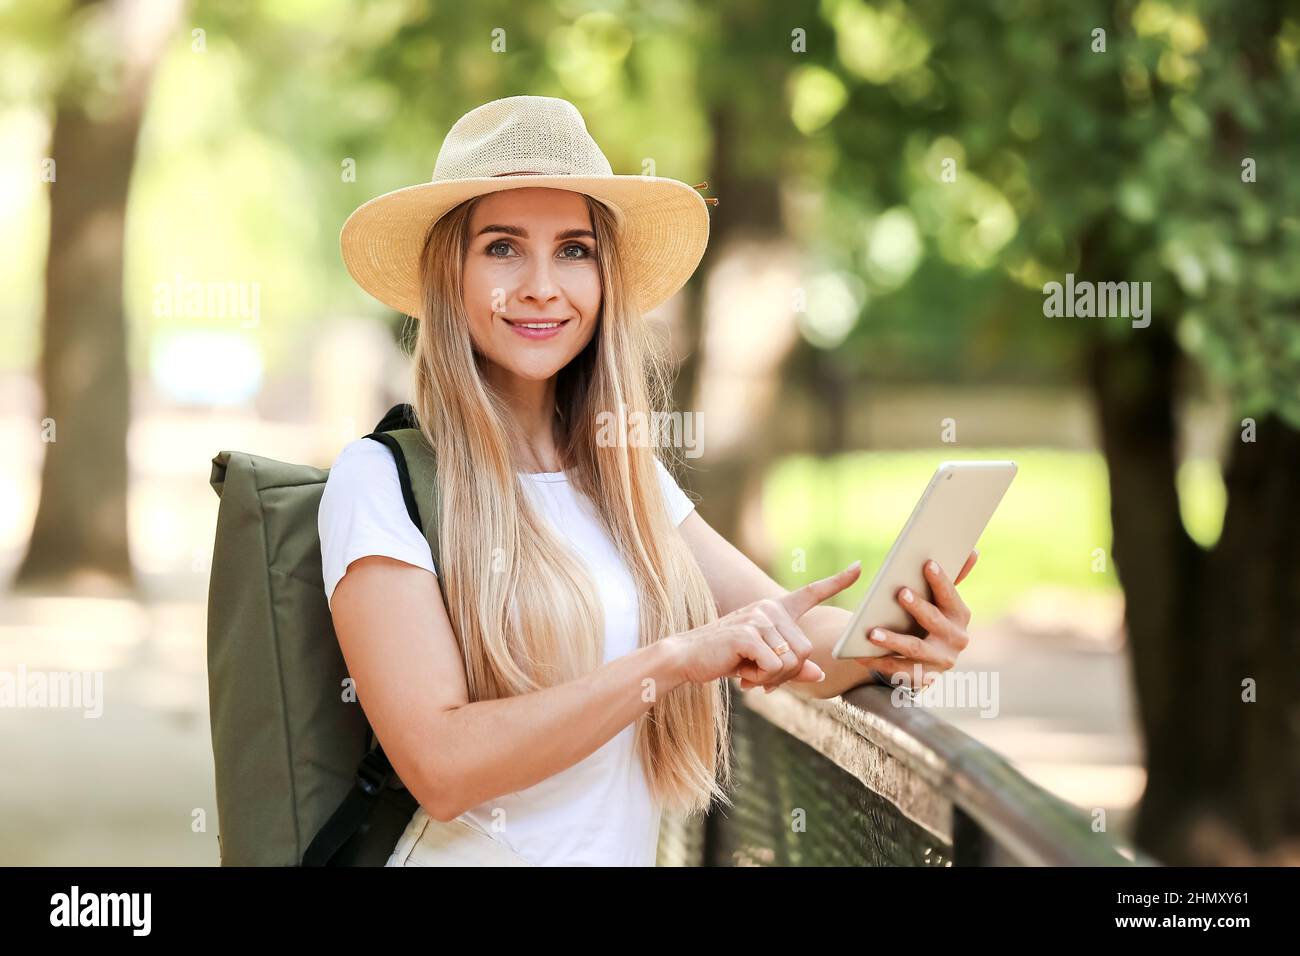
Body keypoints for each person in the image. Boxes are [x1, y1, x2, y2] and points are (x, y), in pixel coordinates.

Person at [320, 95, 978, 866]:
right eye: (502, 248)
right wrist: (669, 662)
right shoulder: (381, 482)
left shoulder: (623, 478)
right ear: (449, 275)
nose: (541, 285)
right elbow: (441, 767)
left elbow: (792, 634)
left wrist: (894, 637)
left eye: (574, 250)